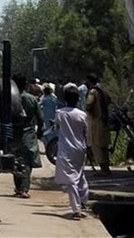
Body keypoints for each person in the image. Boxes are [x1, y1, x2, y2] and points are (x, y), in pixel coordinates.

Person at [55, 84, 89, 220]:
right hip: (80, 148)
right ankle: (83, 200)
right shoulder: (82, 115)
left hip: (66, 148)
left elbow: (56, 127)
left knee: (71, 180)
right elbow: (86, 132)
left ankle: (76, 209)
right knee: (80, 175)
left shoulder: (60, 113)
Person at [84, 73, 111, 175]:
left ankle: (103, 169)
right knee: (104, 146)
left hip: (95, 122)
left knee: (96, 145)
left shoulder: (93, 92)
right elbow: (109, 100)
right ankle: (107, 168)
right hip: (104, 121)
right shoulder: (102, 90)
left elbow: (89, 104)